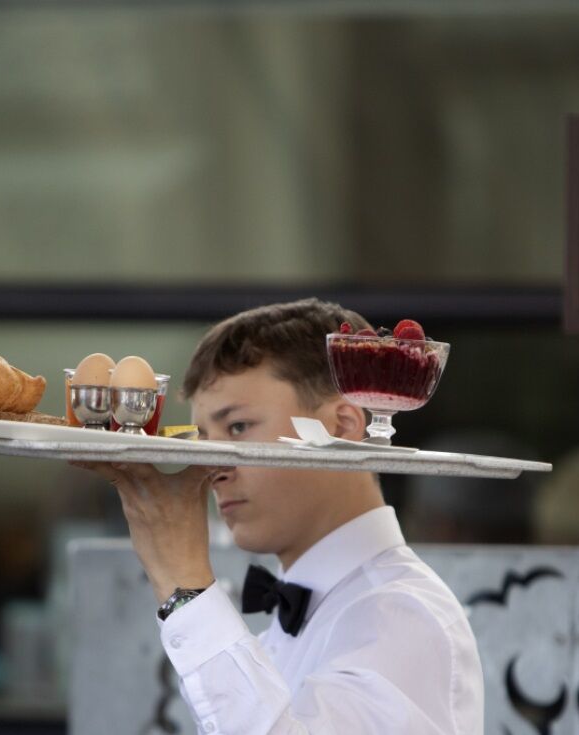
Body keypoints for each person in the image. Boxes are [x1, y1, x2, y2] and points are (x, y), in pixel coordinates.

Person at [74, 298, 483, 734]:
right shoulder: (310, 613)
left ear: (343, 428)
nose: (214, 469)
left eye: (237, 428)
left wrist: (185, 585)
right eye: (203, 440)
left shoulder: (399, 614)